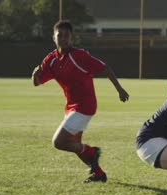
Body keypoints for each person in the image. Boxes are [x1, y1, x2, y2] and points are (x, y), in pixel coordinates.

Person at [31, 20, 129, 183]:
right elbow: (38, 82)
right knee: (75, 145)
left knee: (59, 142)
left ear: (72, 38)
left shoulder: (80, 56)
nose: (63, 38)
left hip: (85, 106)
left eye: (66, 36)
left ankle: (92, 151)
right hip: (70, 107)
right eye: (59, 35)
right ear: (53, 38)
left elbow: (105, 67)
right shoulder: (52, 59)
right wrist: (35, 75)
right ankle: (98, 174)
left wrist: (119, 89)